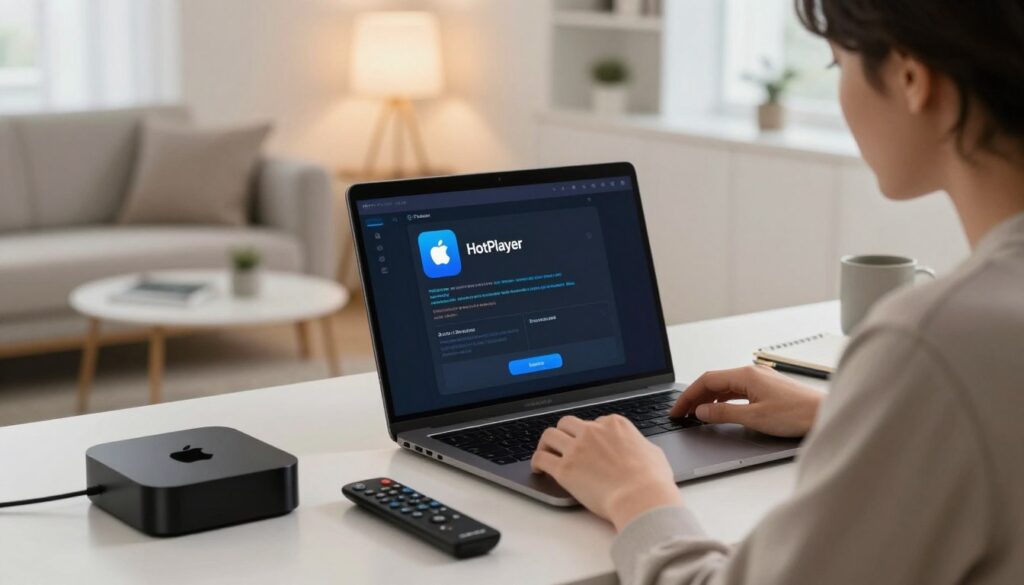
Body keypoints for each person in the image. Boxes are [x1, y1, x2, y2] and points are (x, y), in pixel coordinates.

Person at [529, 1, 1024, 583]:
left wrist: (636, 492)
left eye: (837, 65)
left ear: (913, 79)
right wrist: (844, 415)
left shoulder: (934, 341)